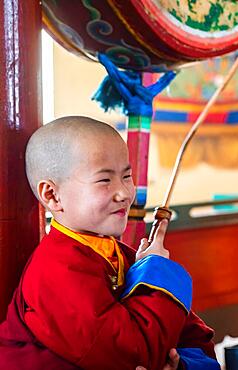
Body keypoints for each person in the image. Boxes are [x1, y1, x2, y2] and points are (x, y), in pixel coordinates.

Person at [0, 116, 220, 370]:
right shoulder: (55, 271)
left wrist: (181, 364)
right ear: (52, 195)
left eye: (126, 176)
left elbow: (197, 338)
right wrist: (156, 273)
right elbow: (132, 357)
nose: (125, 192)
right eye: (105, 180)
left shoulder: (122, 257)